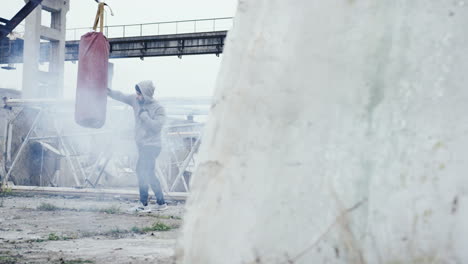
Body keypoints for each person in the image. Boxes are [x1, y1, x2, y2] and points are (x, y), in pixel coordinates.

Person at [107, 80, 167, 212]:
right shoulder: (135, 101)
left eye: (139, 94)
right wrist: (108, 92)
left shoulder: (158, 108)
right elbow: (122, 96)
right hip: (143, 145)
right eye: (137, 93)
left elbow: (156, 127)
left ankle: (143, 204)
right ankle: (161, 203)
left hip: (152, 146)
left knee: (141, 171)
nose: (137, 96)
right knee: (149, 174)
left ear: (146, 94)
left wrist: (144, 116)